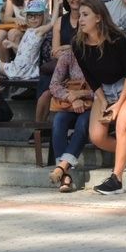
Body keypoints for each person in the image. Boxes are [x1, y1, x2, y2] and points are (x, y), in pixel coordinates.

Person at [72, 0, 126, 195]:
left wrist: (119, 104)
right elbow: (89, 75)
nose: (80, 19)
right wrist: (103, 100)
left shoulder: (117, 40)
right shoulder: (78, 44)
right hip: (104, 89)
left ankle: (117, 180)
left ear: (98, 18)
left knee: (123, 124)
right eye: (79, 15)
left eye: (85, 15)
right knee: (97, 136)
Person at [34, 0, 93, 123]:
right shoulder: (60, 21)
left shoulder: (89, 19)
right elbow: (55, 51)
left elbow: (88, 44)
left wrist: (66, 48)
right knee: (46, 93)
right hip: (62, 65)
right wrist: (65, 51)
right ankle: (39, 128)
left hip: (82, 65)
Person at [47, 49, 93, 193]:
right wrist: (72, 98)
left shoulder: (103, 55)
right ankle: (64, 174)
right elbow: (54, 85)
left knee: (83, 123)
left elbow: (108, 87)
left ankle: (61, 169)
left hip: (96, 102)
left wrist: (81, 93)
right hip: (71, 101)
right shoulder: (69, 55)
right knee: (59, 121)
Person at [0, 0, 53, 80]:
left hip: (24, 69)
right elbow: (25, 49)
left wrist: (57, 5)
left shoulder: (39, 31)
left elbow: (52, 24)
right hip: (19, 67)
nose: (33, 18)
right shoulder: (29, 30)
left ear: (43, 16)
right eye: (30, 15)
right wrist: (12, 44)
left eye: (37, 15)